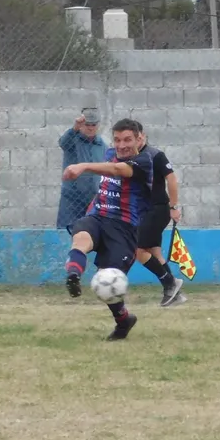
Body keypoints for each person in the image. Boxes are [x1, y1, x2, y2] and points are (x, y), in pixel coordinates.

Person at [62, 118, 153, 341]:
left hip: (124, 229)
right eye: (118, 140)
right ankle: (73, 274)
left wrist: (83, 167)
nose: (122, 145)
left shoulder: (145, 161)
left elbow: (116, 170)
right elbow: (106, 177)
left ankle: (124, 320)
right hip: (98, 217)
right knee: (81, 237)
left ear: (139, 139)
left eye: (128, 140)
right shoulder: (109, 153)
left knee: (107, 281)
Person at [131, 123, 186, 307]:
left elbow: (171, 179)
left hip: (157, 209)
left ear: (143, 137)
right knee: (154, 252)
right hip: (144, 211)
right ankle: (174, 292)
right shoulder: (129, 158)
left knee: (138, 250)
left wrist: (172, 205)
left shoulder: (155, 155)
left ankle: (170, 283)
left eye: (138, 138)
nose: (136, 142)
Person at [57, 107, 107, 229]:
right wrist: (75, 128)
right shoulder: (73, 140)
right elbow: (63, 142)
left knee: (92, 231)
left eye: (93, 124)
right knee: (67, 229)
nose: (90, 127)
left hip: (93, 197)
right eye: (87, 124)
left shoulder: (102, 145)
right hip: (72, 198)